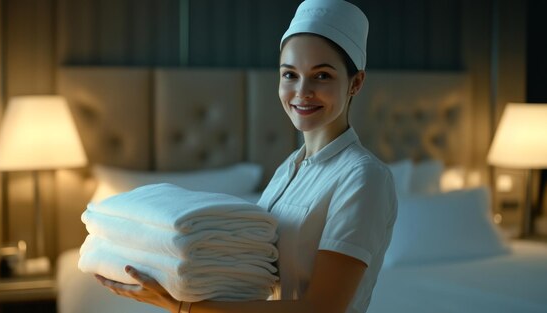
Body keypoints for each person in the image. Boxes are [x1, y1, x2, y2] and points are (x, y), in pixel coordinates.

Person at [96, 0, 397, 312]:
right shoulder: (288, 169)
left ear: (356, 83)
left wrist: (184, 307)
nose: (302, 91)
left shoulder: (363, 177)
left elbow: (322, 307)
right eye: (290, 74)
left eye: (322, 76)